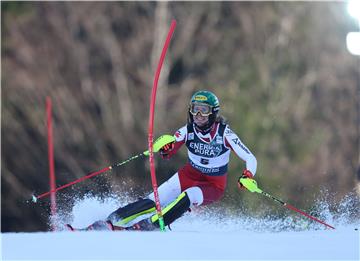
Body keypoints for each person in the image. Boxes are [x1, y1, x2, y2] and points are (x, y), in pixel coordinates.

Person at [71, 90, 257, 231]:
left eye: (204, 111)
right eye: (195, 110)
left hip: (212, 185)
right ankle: (113, 220)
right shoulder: (187, 130)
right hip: (189, 174)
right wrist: (166, 149)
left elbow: (250, 157)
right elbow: (170, 149)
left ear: (213, 113)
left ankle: (150, 225)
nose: (198, 115)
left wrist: (248, 175)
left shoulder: (225, 134)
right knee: (154, 199)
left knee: (189, 196)